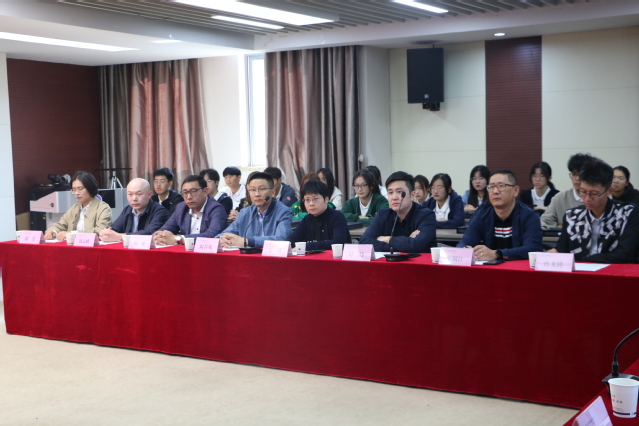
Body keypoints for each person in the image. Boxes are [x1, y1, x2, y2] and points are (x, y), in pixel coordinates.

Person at [552, 159, 639, 263]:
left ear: (609, 191)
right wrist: (554, 253)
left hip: (613, 271)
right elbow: (562, 251)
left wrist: (585, 261)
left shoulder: (628, 214)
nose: (587, 198)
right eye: (583, 191)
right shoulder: (572, 216)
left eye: (594, 193)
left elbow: (624, 255)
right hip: (579, 272)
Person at [457, 169, 543, 261]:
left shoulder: (529, 216)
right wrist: (466, 250)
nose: (495, 191)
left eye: (501, 186)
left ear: (515, 191)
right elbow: (464, 242)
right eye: (491, 187)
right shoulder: (482, 213)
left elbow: (533, 248)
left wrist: (497, 254)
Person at [360, 171, 437, 253]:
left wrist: (387, 239)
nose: (394, 197)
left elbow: (416, 245)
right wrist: (406, 243)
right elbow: (364, 242)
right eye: (390, 193)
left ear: (412, 195)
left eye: (399, 192)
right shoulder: (383, 214)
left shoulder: (426, 215)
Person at [217, 172, 292, 248]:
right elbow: (224, 234)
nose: (257, 194)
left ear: (273, 192)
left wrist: (247, 241)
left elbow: (282, 238)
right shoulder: (245, 213)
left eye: (262, 189)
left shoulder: (283, 212)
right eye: (252, 190)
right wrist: (222, 239)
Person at [153, 175, 227, 246]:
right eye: (185, 192)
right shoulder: (181, 208)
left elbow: (212, 235)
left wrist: (178, 239)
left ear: (205, 191)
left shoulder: (216, 209)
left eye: (193, 191)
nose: (189, 197)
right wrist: (158, 236)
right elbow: (165, 229)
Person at [44, 171, 112, 240]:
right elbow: (61, 224)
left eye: (80, 189)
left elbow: (100, 231)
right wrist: (52, 230)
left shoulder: (103, 208)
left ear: (90, 188)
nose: (76, 193)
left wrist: (72, 234)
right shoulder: (74, 207)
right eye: (73, 190)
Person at [288, 180, 351, 251]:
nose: (311, 203)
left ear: (326, 199)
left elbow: (338, 243)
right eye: (307, 200)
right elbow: (292, 239)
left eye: (315, 199)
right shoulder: (307, 219)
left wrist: (307, 246)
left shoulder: (337, 217)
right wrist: (284, 246)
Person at [99, 178, 168, 241]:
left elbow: (149, 233)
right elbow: (114, 228)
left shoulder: (160, 211)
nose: (134, 198)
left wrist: (120, 236)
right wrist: (106, 232)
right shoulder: (127, 210)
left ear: (149, 194)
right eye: (130, 194)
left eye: (139, 194)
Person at [540, 153, 593, 228]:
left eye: (581, 174)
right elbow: (544, 221)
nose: (577, 178)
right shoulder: (559, 198)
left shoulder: (597, 198)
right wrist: (559, 227)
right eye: (574, 174)